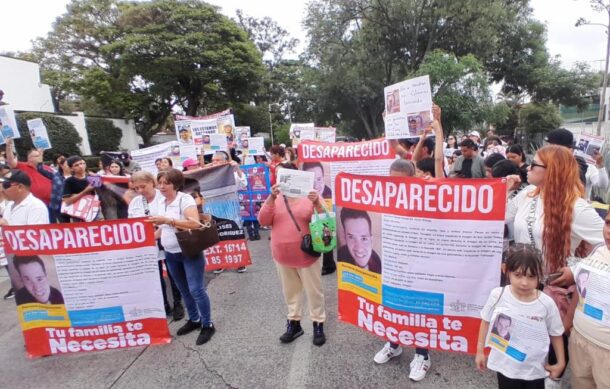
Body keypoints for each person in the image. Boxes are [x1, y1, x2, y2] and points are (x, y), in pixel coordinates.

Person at [374, 157, 432, 382]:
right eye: (392, 181)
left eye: (401, 182)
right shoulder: (383, 198)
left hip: (419, 265)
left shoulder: (425, 196)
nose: (396, 186)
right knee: (393, 304)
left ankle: (422, 354)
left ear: (413, 179)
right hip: (393, 263)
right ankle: (394, 343)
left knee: (420, 309)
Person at [475, 244, 565, 389]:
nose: (524, 282)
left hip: (534, 370)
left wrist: (560, 362)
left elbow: (556, 333)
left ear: (540, 275)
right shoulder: (497, 295)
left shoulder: (546, 303)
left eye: (531, 276)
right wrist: (480, 351)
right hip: (505, 368)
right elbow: (485, 320)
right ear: (506, 271)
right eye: (518, 275)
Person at [258, 162, 327, 346]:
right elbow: (263, 220)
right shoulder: (275, 198)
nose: (282, 179)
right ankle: (294, 324)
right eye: (278, 175)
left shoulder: (310, 196)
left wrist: (317, 202)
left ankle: (318, 324)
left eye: (285, 174)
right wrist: (271, 199)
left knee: (314, 292)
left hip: (307, 255)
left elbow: (326, 220)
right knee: (291, 293)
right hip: (282, 255)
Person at [149, 169, 215, 345]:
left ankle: (207, 324)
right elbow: (161, 228)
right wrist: (144, 240)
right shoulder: (160, 201)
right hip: (170, 253)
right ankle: (194, 319)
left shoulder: (184, 199)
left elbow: (194, 223)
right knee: (183, 290)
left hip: (189, 252)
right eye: (160, 182)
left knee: (196, 289)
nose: (161, 187)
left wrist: (169, 221)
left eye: (166, 183)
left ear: (176, 184)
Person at [554, 211, 610, 388]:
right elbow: (581, 285)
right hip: (580, 340)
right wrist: (568, 321)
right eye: (608, 223)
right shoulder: (599, 249)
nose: (609, 231)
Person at [128, 171, 184, 321]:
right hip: (147, 242)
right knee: (155, 275)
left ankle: (178, 303)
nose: (140, 190)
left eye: (143, 186)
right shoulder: (135, 202)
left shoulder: (163, 197)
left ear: (152, 182)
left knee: (173, 273)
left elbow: (171, 218)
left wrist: (157, 230)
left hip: (165, 238)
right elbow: (131, 222)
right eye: (136, 188)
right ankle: (163, 303)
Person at [544, 128, 608, 201]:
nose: (546, 150)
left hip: (578, 209)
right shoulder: (544, 164)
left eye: (549, 147)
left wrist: (600, 165)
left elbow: (603, 185)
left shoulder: (585, 165)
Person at [302, 162, 334, 275]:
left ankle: (328, 264)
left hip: (327, 220)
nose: (316, 184)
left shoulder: (329, 192)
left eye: (319, 179)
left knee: (326, 235)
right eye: (312, 180)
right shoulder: (303, 195)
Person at [5, 138, 53, 207]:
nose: (40, 157)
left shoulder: (47, 168)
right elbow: (11, 161)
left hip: (51, 203)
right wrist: (8, 146)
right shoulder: (23, 166)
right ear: (29, 158)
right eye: (37, 156)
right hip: (33, 205)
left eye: (40, 155)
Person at [337, 208, 381, 274]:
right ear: (345, 237)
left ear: (371, 239)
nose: (359, 249)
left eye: (364, 238)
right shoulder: (341, 255)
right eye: (351, 237)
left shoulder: (377, 263)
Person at [62, 156, 101, 222]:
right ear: (71, 169)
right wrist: (85, 191)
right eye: (76, 165)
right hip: (78, 213)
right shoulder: (69, 181)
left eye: (81, 163)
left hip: (94, 211)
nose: (80, 166)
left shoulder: (92, 177)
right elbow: (67, 201)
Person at [36, 156, 71, 223]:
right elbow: (40, 169)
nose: (69, 166)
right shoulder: (55, 175)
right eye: (67, 164)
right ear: (62, 166)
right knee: (64, 225)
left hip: (72, 205)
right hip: (58, 205)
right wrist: (40, 155)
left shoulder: (75, 177)